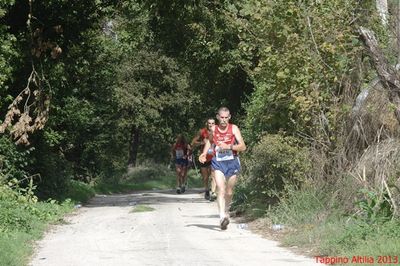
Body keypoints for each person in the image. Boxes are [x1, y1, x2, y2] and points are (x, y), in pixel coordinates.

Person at [199, 107, 246, 230]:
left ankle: (226, 211)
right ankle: (221, 217)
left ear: (229, 117)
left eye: (226, 117)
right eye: (222, 117)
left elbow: (243, 147)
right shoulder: (213, 129)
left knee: (229, 191)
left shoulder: (234, 128)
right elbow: (210, 143)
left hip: (232, 162)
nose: (224, 120)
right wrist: (204, 153)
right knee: (221, 188)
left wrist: (229, 146)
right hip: (218, 163)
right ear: (218, 117)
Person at [191, 118, 217, 200]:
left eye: (213, 123)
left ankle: (213, 192)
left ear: (215, 124)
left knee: (213, 175)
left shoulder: (218, 131)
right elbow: (193, 142)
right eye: (209, 123)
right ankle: (206, 190)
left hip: (214, 156)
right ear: (207, 124)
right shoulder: (202, 132)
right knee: (205, 177)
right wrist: (202, 142)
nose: (211, 125)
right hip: (204, 158)